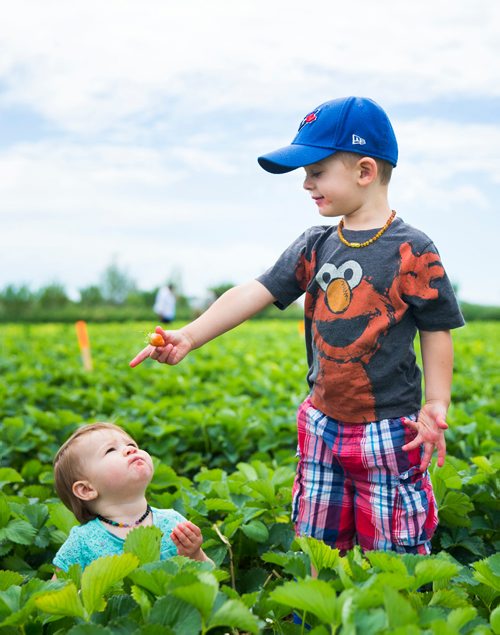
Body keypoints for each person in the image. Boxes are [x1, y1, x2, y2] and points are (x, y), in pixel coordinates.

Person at [130, 96, 464, 555]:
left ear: (365, 171)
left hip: (389, 429)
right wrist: (190, 335)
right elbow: (256, 290)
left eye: (317, 171)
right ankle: (312, 617)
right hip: (321, 422)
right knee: (316, 543)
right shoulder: (317, 243)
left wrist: (436, 403)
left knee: (393, 551)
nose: (306, 184)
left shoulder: (413, 249)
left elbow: (436, 327)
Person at [52, 422, 211, 572]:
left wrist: (195, 554)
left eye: (131, 445)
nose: (130, 450)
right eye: (110, 450)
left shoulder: (173, 523)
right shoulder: (81, 543)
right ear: (86, 489)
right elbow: (55, 592)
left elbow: (209, 574)